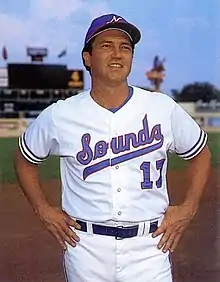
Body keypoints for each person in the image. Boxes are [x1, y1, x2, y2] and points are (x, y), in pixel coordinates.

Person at [13, 13, 211, 282]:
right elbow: (24, 158)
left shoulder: (162, 108)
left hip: (150, 247)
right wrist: (42, 209)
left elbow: (200, 153)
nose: (117, 53)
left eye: (125, 47)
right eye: (106, 46)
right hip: (86, 249)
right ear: (87, 58)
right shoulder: (60, 115)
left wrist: (188, 207)